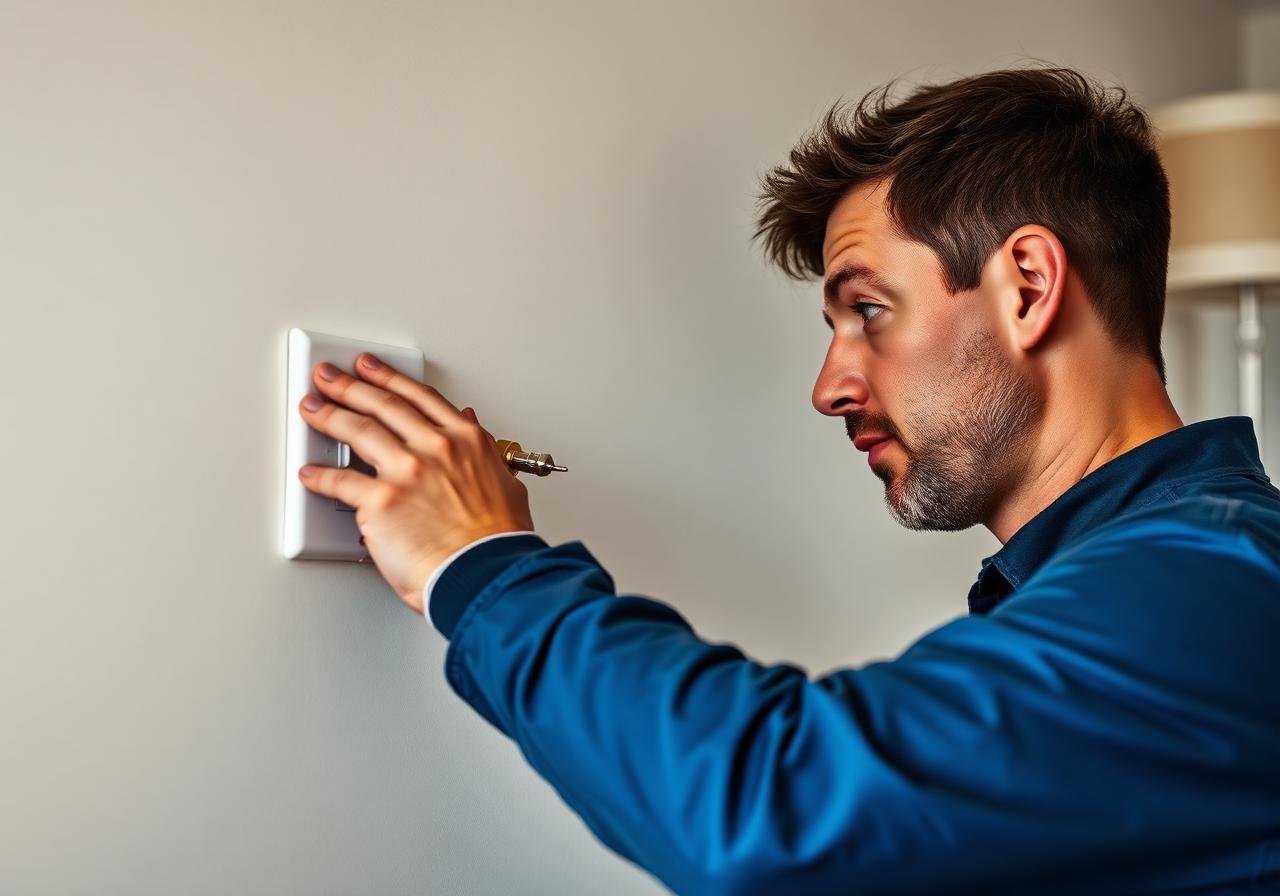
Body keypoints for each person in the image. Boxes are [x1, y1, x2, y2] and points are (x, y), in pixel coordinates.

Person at [294, 66, 1280, 894]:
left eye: (869, 310)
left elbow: (776, 809)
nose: (828, 387)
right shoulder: (1162, 574)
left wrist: (481, 566)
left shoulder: (1219, 579)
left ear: (1026, 286)